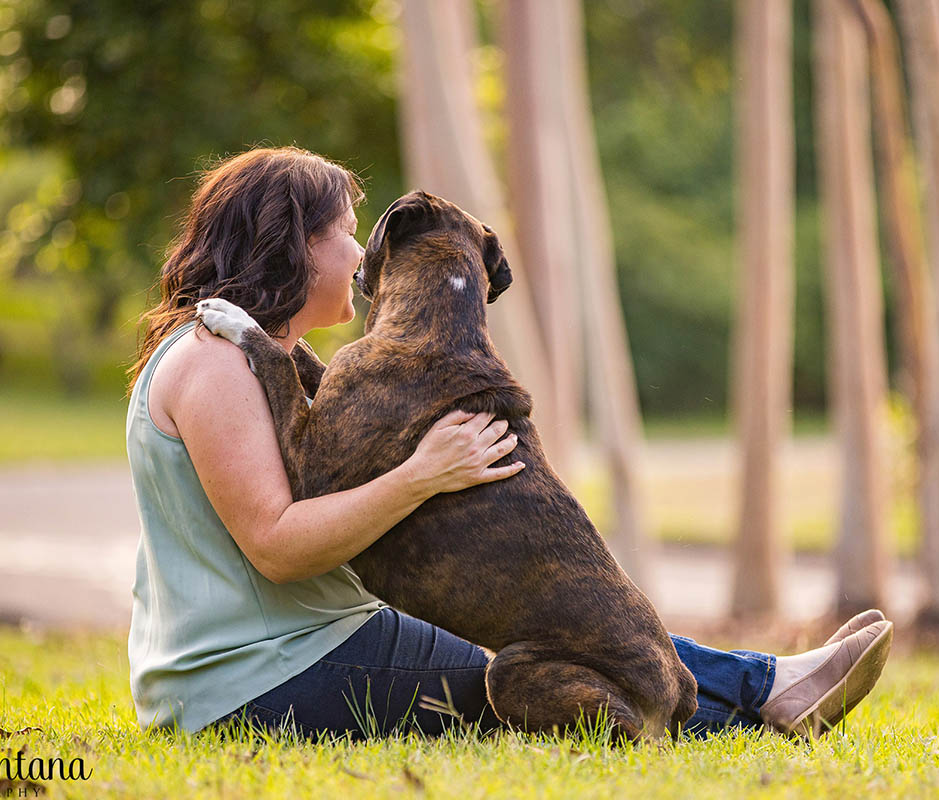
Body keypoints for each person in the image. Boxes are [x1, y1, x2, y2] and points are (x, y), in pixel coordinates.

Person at [126, 146, 892, 742]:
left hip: (289, 650)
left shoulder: (242, 353)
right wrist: (423, 475)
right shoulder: (217, 362)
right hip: (253, 681)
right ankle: (768, 697)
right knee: (523, 677)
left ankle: (770, 685)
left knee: (556, 629)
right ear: (297, 243)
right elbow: (278, 546)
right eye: (350, 236)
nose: (364, 258)